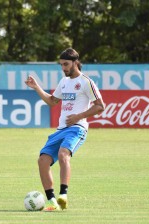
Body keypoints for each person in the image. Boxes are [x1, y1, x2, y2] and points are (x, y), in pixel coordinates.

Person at [25, 48, 105, 211]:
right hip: (61, 129)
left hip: (77, 128)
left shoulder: (86, 82)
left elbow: (100, 106)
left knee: (63, 154)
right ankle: (52, 202)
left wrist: (78, 116)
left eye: (66, 64)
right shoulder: (64, 82)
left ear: (76, 63)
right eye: (61, 65)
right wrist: (37, 87)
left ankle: (63, 196)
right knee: (43, 161)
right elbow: (53, 101)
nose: (63, 68)